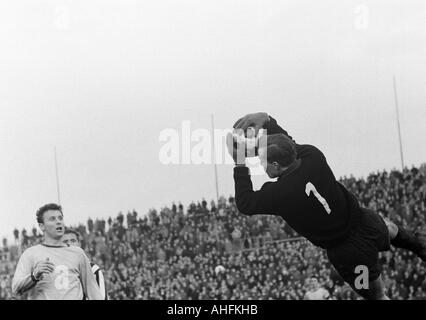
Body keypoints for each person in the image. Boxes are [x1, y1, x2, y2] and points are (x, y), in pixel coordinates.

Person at [227, 112, 426, 300]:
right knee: (389, 228)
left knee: (377, 296)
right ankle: (419, 245)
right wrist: (268, 120)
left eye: (263, 162)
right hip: (364, 221)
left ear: (277, 165)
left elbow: (245, 203)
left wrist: (240, 164)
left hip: (348, 252)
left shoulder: (278, 194)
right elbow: (288, 144)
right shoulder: (313, 156)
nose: (261, 166)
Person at [11, 203, 103, 300]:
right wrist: (34, 276)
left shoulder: (78, 253)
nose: (58, 222)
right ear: (42, 226)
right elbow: (16, 288)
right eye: (52, 219)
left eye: (60, 218)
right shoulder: (30, 254)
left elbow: (93, 292)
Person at [62, 229, 107, 299]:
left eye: (73, 241)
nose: (69, 244)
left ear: (79, 244)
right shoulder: (57, 271)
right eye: (65, 241)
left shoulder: (93, 270)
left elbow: (102, 297)